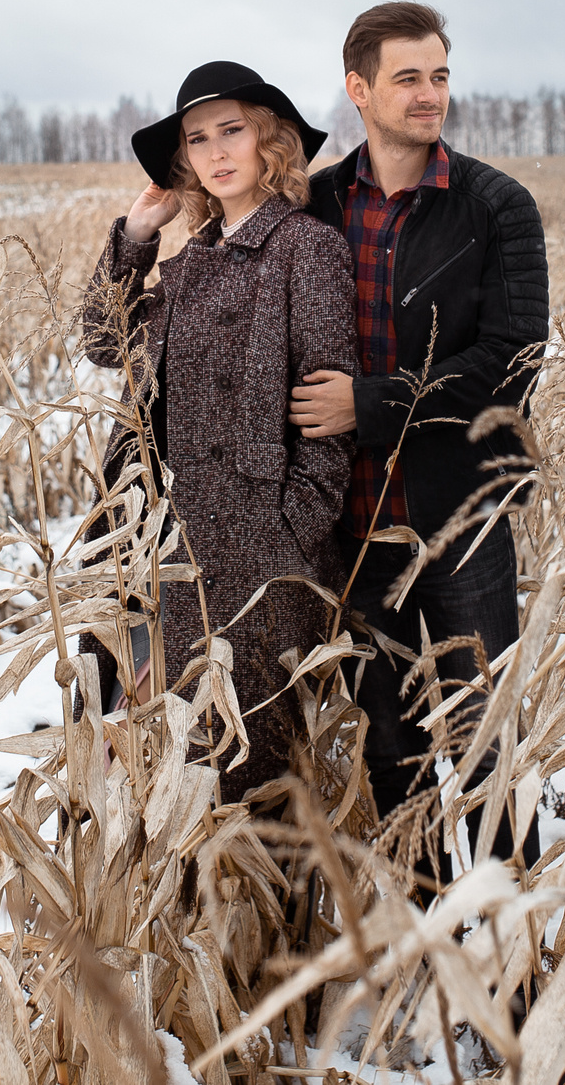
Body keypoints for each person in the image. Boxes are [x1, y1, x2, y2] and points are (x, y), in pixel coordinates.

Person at [287, 1, 549, 875]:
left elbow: (512, 362)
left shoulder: (495, 207)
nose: (430, 93)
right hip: (354, 534)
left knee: (489, 754)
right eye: (408, 77)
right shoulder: (315, 205)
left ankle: (517, 976)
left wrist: (373, 403)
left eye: (439, 74)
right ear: (358, 89)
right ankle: (436, 957)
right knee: (392, 765)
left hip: (462, 522)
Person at [79, 60, 361, 803]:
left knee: (248, 776)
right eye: (197, 139)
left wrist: (288, 536)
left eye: (232, 130)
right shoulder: (190, 259)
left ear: (270, 138)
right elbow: (105, 343)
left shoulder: (306, 248)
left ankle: (261, 921)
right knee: (167, 769)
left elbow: (330, 421)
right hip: (167, 552)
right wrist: (136, 233)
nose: (216, 151)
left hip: (261, 567)